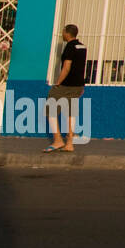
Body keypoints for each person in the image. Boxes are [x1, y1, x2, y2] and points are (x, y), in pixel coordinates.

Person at [44, 24, 86, 152]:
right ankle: (69, 144)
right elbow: (81, 67)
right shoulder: (82, 46)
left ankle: (57, 140)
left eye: (63, 31)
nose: (62, 34)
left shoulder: (69, 46)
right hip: (78, 85)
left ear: (67, 33)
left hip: (66, 85)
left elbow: (66, 67)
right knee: (71, 113)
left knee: (50, 109)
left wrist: (58, 82)